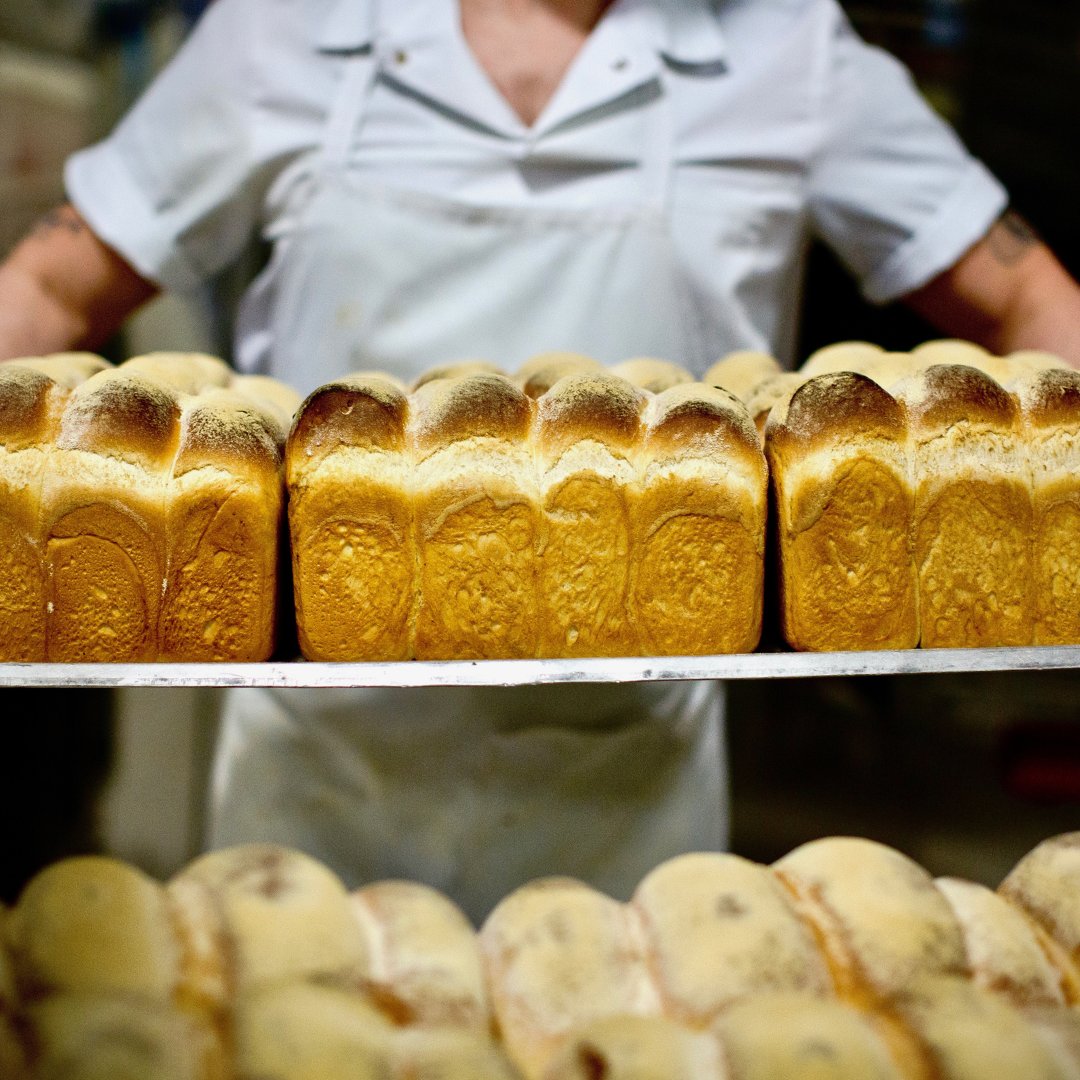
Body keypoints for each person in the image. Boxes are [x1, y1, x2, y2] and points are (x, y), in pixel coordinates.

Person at [2, 0, 1080, 923]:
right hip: (319, 778)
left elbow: (1031, 301)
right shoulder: (293, 27)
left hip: (624, 791)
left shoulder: (784, 50)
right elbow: (50, 290)